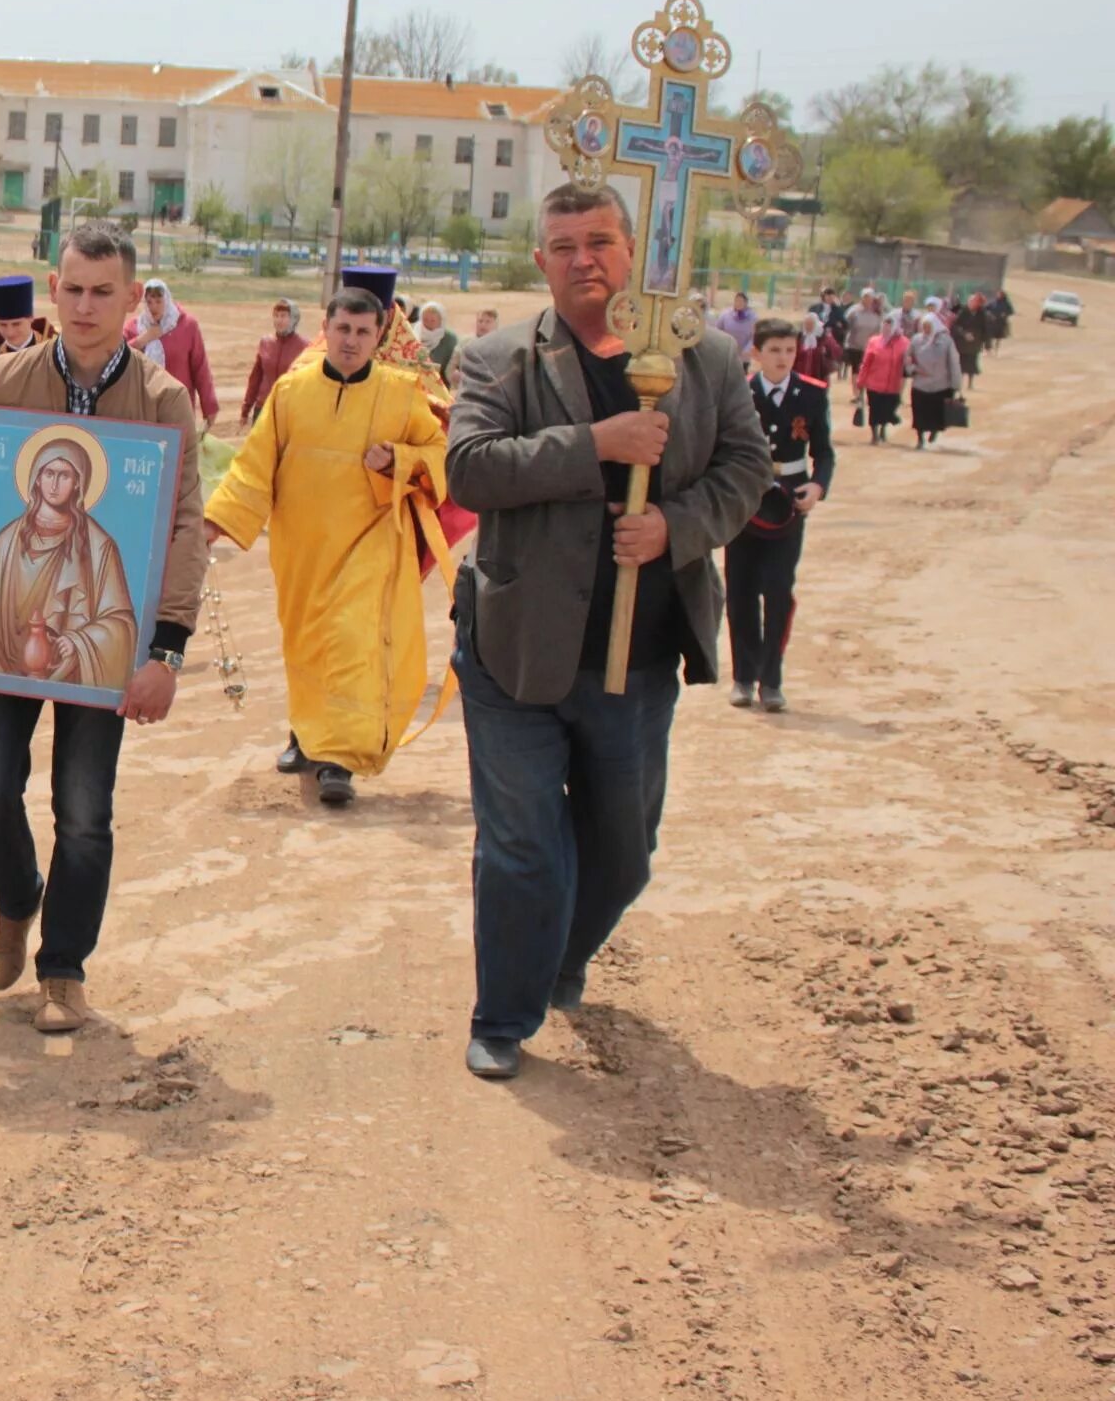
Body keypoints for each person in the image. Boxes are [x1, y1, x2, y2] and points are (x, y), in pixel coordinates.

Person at [445, 181, 768, 1081]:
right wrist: (600, 444)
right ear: (540, 260)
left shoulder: (703, 359)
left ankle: (560, 955)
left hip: (638, 653)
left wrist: (679, 526)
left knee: (624, 853)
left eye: (600, 240)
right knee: (521, 845)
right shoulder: (498, 360)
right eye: (564, 245)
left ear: (633, 251)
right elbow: (471, 469)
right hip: (515, 650)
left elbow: (748, 466)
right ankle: (503, 1019)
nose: (584, 259)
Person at [0, 222, 207, 1034]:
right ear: (53, 287)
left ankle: (64, 967)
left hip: (101, 653)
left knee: (84, 810)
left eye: (105, 291)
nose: (85, 305)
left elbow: (178, 525)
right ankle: (14, 900)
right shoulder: (6, 381)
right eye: (72, 288)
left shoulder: (162, 401)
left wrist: (165, 651)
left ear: (133, 299)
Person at [204, 285, 448, 807]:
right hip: (302, 548)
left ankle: (339, 762)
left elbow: (439, 450)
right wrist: (216, 521)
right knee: (306, 644)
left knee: (350, 642)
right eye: (343, 329)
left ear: (379, 335)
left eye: (364, 332)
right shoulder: (291, 394)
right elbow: (253, 465)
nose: (352, 341)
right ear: (327, 328)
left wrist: (400, 459)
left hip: (369, 545)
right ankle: (305, 736)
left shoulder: (402, 394)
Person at [0, 429, 139, 685]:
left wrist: (79, 640)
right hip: (4, 669)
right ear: (36, 479)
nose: (55, 484)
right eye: (48, 473)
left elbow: (120, 622)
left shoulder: (98, 546)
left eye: (64, 475)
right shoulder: (9, 539)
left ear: (78, 483)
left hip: (67, 672)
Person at [725, 319, 835, 712]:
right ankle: (743, 675)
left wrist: (817, 487)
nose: (783, 358)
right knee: (739, 592)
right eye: (774, 350)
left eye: (789, 350)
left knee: (777, 590)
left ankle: (771, 680)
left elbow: (823, 452)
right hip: (745, 502)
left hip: (788, 504)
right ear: (757, 353)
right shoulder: (739, 392)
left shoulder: (811, 394)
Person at [125, 277, 219, 428]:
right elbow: (115, 357)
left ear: (167, 300)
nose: (153, 308)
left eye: (158, 302)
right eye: (149, 302)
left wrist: (210, 407)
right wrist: (143, 339)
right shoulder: (134, 328)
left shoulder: (187, 326)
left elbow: (200, 367)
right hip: (142, 410)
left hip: (177, 408)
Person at [239, 298, 308, 426]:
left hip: (288, 411)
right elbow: (255, 378)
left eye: (283, 316)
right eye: (276, 316)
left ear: (293, 318)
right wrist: (246, 409)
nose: (279, 320)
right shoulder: (265, 342)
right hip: (263, 408)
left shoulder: (305, 347)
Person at [908, 309, 963, 449]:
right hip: (920, 384)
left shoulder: (946, 341)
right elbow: (908, 359)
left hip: (940, 385)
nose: (926, 329)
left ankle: (934, 431)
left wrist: (956, 384)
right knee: (919, 413)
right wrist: (913, 369)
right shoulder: (916, 340)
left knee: (936, 414)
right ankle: (920, 439)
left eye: (929, 326)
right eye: (924, 326)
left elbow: (953, 362)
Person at [0, 271, 56, 367]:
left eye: (16, 324)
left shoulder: (54, 349)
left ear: (31, 318)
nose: (10, 332)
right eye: (3, 325)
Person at [858, 315, 910, 444]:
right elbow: (866, 362)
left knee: (889, 409)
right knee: (874, 409)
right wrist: (861, 380)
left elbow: (909, 361)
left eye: (889, 326)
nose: (886, 328)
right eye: (884, 325)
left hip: (893, 385)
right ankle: (875, 434)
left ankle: (883, 429)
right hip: (874, 383)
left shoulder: (904, 343)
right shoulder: (874, 341)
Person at [417, 299, 461, 383]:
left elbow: (454, 366)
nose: (429, 323)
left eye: (433, 320)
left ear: (441, 321)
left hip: (440, 385)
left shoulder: (450, 339)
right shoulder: (414, 334)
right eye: (425, 320)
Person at [951, 292, 987, 391]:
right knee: (960, 363)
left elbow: (985, 328)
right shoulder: (963, 312)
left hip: (975, 342)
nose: (972, 303)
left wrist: (986, 343)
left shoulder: (982, 313)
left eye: (975, 301)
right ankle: (959, 383)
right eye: (971, 301)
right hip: (962, 342)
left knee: (972, 363)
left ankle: (970, 384)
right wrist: (964, 334)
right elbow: (955, 326)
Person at [792, 309, 838, 384]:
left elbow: (833, 352)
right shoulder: (800, 337)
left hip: (819, 374)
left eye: (811, 324)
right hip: (800, 374)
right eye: (806, 324)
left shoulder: (824, 337)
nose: (808, 326)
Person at [713, 289, 760, 359]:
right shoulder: (725, 314)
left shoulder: (753, 317)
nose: (738, 303)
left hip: (744, 354)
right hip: (727, 351)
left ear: (746, 303)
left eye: (741, 301)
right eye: (737, 301)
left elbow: (754, 336)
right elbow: (717, 330)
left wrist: (748, 349)